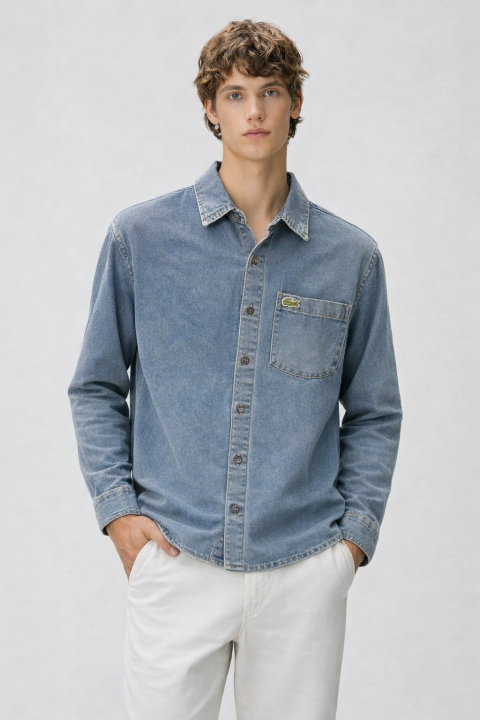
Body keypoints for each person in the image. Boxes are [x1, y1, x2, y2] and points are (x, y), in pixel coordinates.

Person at [67, 18, 403, 720]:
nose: (255, 111)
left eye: (271, 91)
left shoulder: (351, 258)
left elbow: (375, 411)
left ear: (296, 104)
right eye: (236, 93)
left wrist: (351, 542)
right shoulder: (140, 240)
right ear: (210, 108)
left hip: (303, 569)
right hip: (176, 559)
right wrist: (119, 513)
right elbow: (96, 386)